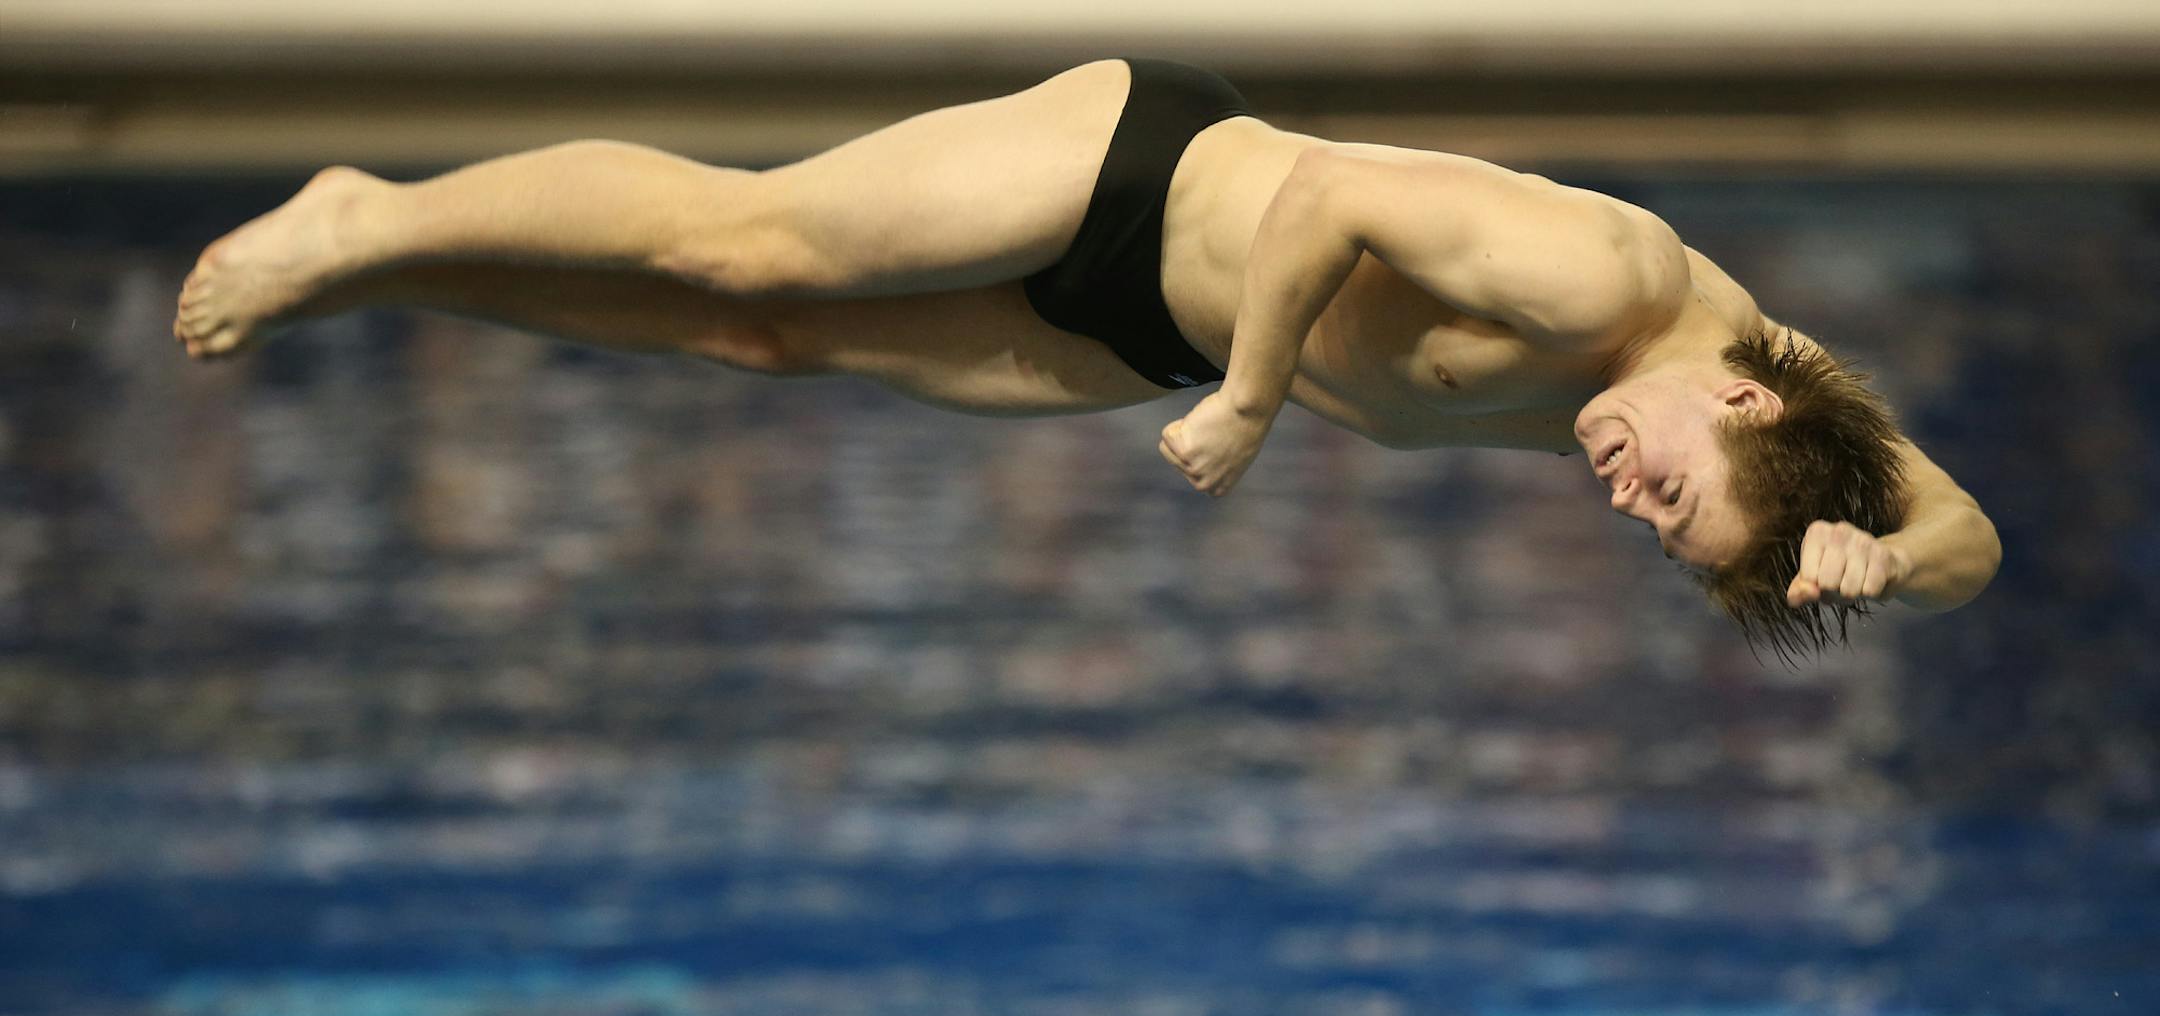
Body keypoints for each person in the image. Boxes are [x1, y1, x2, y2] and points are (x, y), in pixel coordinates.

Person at [172, 57, 1999, 662]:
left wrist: (1886, 556)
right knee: (742, 240)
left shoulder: (1786, 421)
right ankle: (371, 215)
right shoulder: (1613, 275)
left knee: (756, 341)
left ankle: (384, 283)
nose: (1613, 483)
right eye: (1660, 483)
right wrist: (1256, 402)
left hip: (1152, 337)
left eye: (1638, 519)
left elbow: (1973, 543)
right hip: (1137, 177)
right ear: (1739, 394)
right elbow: (1339, 197)